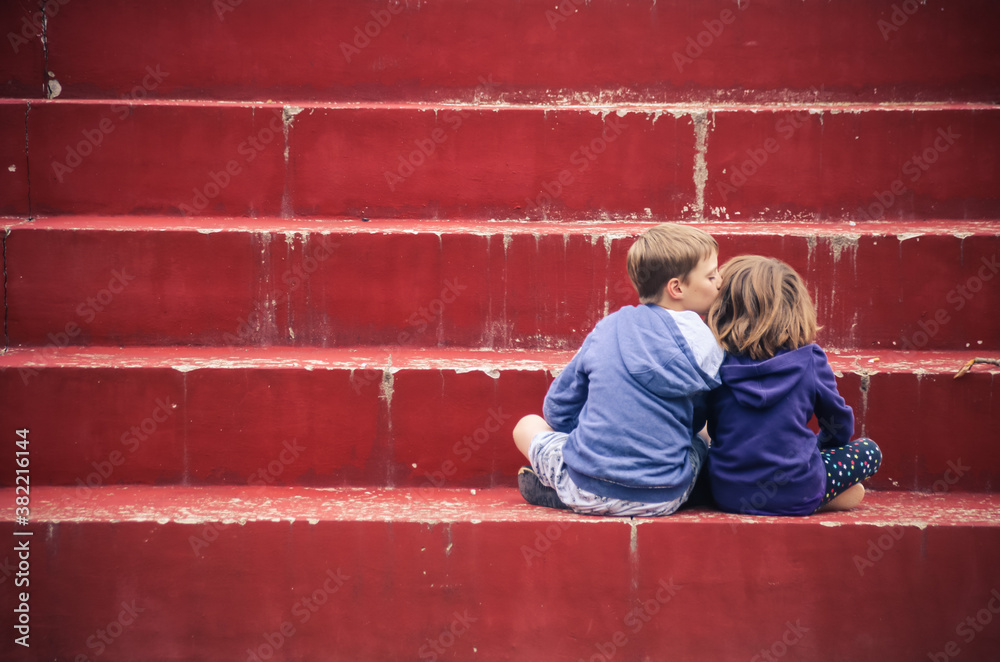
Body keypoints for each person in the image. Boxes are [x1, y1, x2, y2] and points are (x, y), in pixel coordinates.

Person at [512, 223, 724, 516]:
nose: (720, 282)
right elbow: (697, 418)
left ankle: (562, 490)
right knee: (701, 436)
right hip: (664, 497)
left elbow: (558, 408)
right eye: (712, 276)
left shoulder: (608, 328)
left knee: (526, 425)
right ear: (676, 288)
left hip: (584, 487)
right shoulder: (708, 343)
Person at [705, 255, 882, 516]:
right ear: (796, 309)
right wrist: (815, 449)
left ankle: (822, 494)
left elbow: (700, 419)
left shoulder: (714, 360)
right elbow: (838, 423)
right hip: (800, 487)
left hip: (728, 494)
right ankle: (821, 496)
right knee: (869, 451)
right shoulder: (810, 359)